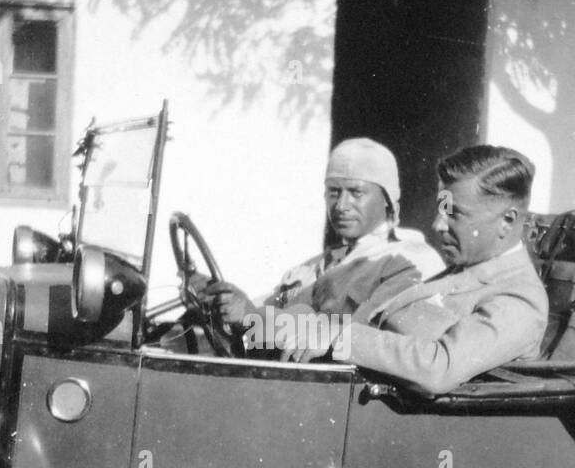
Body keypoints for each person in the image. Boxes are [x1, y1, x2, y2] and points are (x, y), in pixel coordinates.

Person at [297, 145, 548, 395]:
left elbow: (439, 368)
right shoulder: (463, 271)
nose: (437, 225)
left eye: (454, 214)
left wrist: (341, 337)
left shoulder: (520, 299)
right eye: (440, 210)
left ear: (507, 221)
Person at [203, 138, 443, 348]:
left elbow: (364, 339)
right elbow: (265, 306)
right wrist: (222, 301)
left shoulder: (409, 259)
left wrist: (250, 316)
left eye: (356, 193)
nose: (341, 206)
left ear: (387, 200)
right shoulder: (319, 265)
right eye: (334, 192)